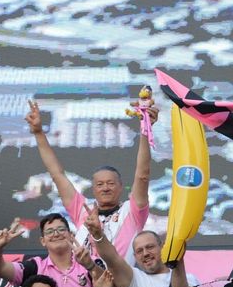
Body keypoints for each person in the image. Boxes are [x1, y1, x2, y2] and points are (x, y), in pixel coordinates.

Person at [25, 98, 154, 259]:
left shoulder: (133, 211)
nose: (105, 188)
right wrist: (38, 133)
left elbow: (142, 175)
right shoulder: (83, 209)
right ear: (93, 189)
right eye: (99, 184)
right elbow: (57, 174)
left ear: (121, 187)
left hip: (122, 282)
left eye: (111, 183)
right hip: (83, 283)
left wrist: (145, 127)